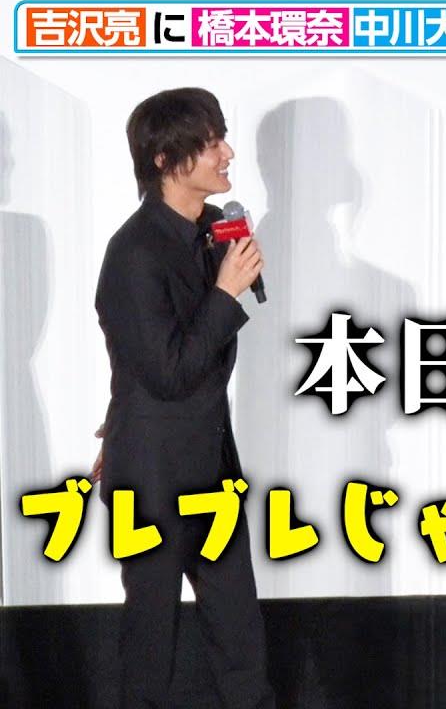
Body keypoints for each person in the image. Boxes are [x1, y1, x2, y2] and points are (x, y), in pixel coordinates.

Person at [94, 87, 275, 708]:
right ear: (166, 160)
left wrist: (228, 281)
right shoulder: (134, 252)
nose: (228, 153)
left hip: (210, 465)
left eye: (223, 137)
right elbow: (167, 370)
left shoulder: (212, 229)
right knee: (151, 644)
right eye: (210, 142)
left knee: (241, 637)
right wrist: (224, 294)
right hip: (151, 476)